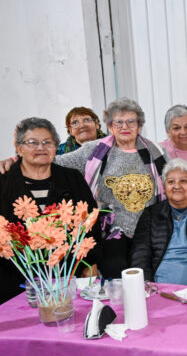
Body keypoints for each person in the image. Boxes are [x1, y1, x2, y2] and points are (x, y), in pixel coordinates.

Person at [50, 98, 171, 279]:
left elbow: (178, 177)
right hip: (112, 229)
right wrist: (17, 160)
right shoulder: (94, 150)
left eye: (131, 121)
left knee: (150, 271)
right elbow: (56, 162)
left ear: (139, 126)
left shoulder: (157, 151)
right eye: (118, 122)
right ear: (109, 126)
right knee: (114, 269)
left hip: (151, 227)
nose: (125, 126)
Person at [0, 117, 101, 304]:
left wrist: (90, 262)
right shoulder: (4, 182)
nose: (41, 147)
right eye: (32, 142)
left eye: (48, 142)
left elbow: (91, 224)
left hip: (67, 274)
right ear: (19, 148)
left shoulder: (72, 178)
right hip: (15, 279)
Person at [130, 159, 187, 285]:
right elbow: (140, 255)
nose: (177, 186)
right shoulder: (151, 214)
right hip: (156, 288)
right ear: (164, 187)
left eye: (183, 181)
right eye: (171, 182)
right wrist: (147, 285)